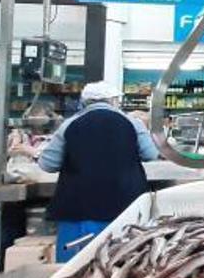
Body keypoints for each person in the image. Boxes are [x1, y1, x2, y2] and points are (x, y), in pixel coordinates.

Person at [16, 82, 158, 262]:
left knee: (75, 268)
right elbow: (151, 154)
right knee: (122, 266)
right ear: (113, 101)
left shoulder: (69, 125)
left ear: (85, 102)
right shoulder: (132, 123)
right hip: (125, 206)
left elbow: (47, 164)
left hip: (78, 208)